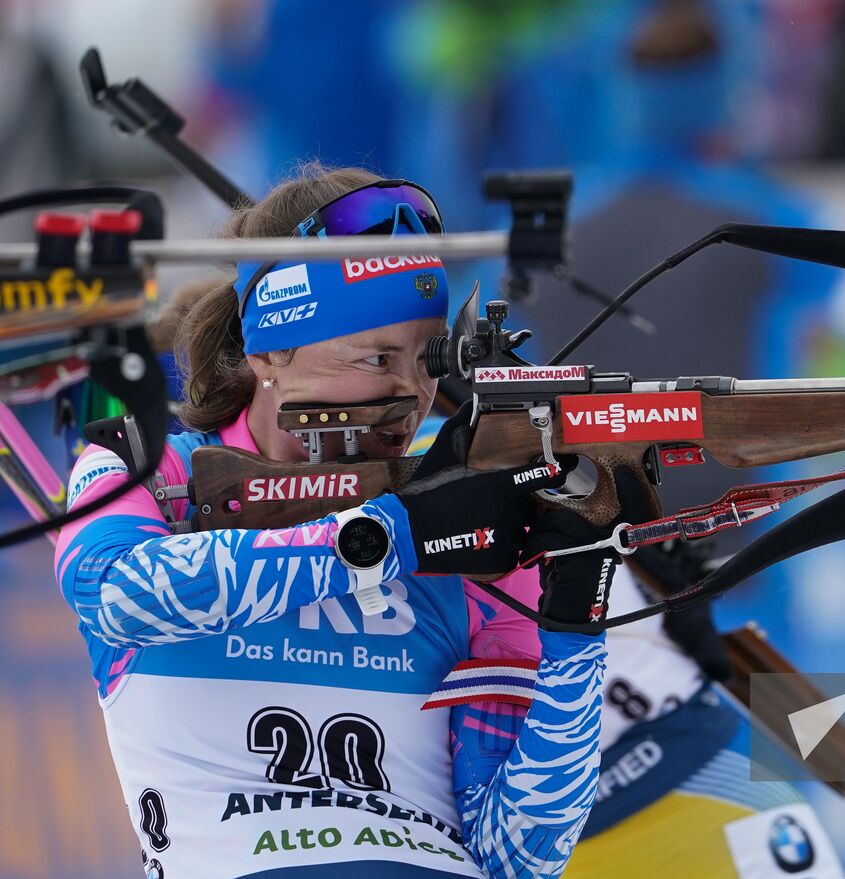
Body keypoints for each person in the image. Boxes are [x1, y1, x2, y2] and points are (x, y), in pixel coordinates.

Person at [53, 168, 625, 879]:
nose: (413, 393)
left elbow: (517, 855)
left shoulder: (467, 524)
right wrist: (390, 536)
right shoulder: (147, 465)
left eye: (427, 359)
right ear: (269, 352)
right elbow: (117, 594)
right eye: (376, 357)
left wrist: (577, 628)